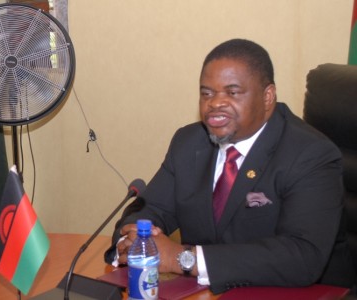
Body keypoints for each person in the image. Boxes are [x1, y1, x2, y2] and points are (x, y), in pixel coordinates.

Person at [105, 39, 355, 294]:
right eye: (207, 93)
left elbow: (302, 256)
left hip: (302, 293)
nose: (215, 103)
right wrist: (135, 242)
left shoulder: (310, 154)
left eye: (232, 92)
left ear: (267, 96)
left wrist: (183, 258)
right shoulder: (188, 143)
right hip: (210, 292)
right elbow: (150, 208)